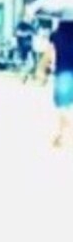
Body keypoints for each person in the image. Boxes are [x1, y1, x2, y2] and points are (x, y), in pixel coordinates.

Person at [44, 18, 73, 147]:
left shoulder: (56, 35)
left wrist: (46, 68)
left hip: (63, 73)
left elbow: (50, 54)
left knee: (62, 107)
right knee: (67, 108)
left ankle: (62, 134)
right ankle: (60, 136)